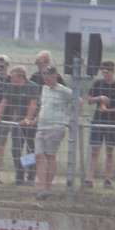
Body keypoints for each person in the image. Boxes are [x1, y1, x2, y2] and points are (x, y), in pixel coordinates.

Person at [85, 61, 115, 188]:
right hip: (98, 120)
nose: (105, 75)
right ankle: (89, 179)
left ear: (112, 71)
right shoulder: (98, 84)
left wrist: (111, 110)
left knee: (109, 150)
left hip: (113, 122)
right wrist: (99, 98)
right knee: (94, 150)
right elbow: (89, 100)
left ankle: (108, 179)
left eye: (107, 72)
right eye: (103, 72)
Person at [34, 65, 75, 200]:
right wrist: (35, 119)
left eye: (49, 75)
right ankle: (41, 187)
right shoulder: (44, 89)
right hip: (41, 126)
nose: (46, 78)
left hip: (56, 127)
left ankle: (47, 187)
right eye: (44, 75)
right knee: (38, 155)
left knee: (50, 155)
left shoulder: (64, 91)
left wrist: (68, 118)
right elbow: (43, 106)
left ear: (55, 76)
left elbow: (78, 102)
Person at [0, 65, 40, 184]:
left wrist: (27, 119)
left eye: (13, 77)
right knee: (16, 149)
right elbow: (4, 101)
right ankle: (20, 173)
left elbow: (33, 104)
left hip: (31, 123)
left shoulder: (32, 87)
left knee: (30, 150)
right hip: (16, 122)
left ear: (21, 77)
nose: (10, 79)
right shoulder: (10, 86)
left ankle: (30, 175)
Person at [27, 52, 63, 182]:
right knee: (32, 148)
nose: (38, 65)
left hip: (50, 120)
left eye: (40, 63)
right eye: (37, 63)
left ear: (47, 62)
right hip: (35, 117)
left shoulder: (57, 78)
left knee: (48, 152)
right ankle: (31, 173)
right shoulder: (34, 76)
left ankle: (47, 177)